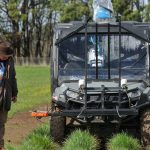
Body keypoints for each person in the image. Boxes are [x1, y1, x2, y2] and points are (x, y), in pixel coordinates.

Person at [0, 41, 18, 150]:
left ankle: (0, 146)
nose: (6, 58)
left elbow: (13, 78)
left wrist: (14, 93)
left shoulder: (10, 61)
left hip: (5, 96)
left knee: (1, 122)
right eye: (4, 56)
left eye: (8, 56)